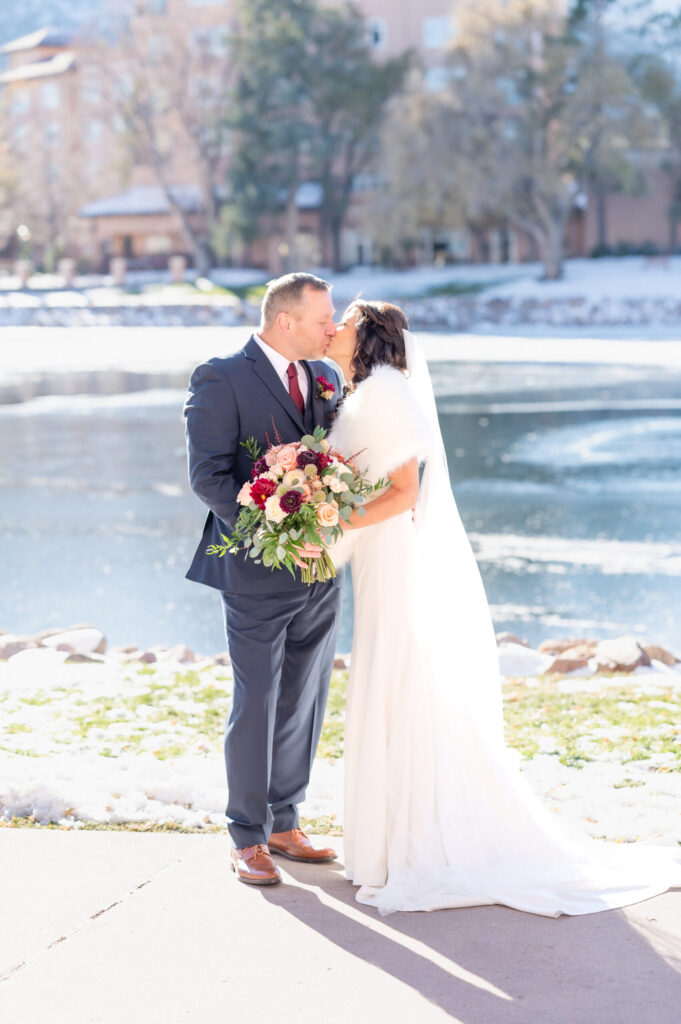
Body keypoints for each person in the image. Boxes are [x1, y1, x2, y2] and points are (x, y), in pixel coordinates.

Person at [326, 299, 681, 916]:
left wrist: (331, 518)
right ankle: (381, 843)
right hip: (375, 558)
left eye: (345, 320)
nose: (333, 327)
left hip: (393, 559)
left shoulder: (385, 393)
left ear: (367, 337)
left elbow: (405, 492)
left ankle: (414, 843)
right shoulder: (365, 392)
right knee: (387, 679)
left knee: (402, 682)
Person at [184, 273, 343, 885]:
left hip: (322, 570)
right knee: (257, 699)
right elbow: (209, 476)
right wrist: (276, 530)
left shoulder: (325, 377)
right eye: (323, 318)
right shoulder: (220, 377)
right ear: (286, 321)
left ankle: (285, 821)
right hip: (254, 567)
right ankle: (246, 836)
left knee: (305, 695)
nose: (332, 328)